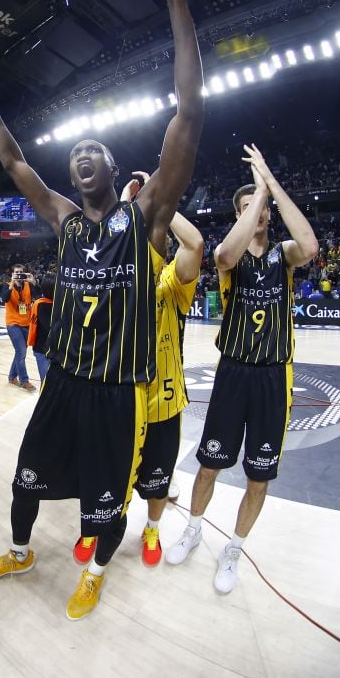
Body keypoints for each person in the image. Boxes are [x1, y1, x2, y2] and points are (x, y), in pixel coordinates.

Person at [0, 0, 205, 620]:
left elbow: (188, 114)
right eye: (74, 154)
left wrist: (177, 4)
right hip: (65, 378)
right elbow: (13, 159)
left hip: (120, 391)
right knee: (25, 480)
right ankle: (18, 552)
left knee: (108, 502)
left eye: (92, 149)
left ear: (113, 165)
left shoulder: (146, 218)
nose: (79, 156)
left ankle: (96, 570)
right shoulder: (63, 220)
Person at [164, 144, 318, 594]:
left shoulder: (284, 256)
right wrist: (253, 204)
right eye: (248, 209)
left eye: (262, 208)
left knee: (258, 475)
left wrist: (270, 185)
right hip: (233, 373)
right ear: (238, 215)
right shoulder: (231, 258)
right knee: (209, 465)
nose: (260, 214)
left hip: (273, 377)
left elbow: (309, 245)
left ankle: (233, 548)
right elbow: (226, 257)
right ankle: (193, 530)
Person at [73, 173, 204, 569]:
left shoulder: (171, 280)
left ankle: (151, 528)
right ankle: (92, 528)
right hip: (117, 397)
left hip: (162, 398)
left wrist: (162, 198)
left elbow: (195, 244)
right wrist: (126, 208)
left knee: (156, 480)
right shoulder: (116, 271)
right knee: (105, 474)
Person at [4, 263, 38, 391]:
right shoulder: (7, 286)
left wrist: (33, 281)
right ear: (12, 274)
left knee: (20, 352)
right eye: (16, 272)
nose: (19, 275)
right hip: (13, 324)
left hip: (26, 324)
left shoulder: (28, 285)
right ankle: (24, 380)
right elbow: (5, 298)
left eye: (21, 272)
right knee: (21, 352)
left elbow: (40, 293)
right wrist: (12, 284)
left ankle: (12, 377)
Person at [27, 275, 54, 383]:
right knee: (46, 382)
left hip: (51, 349)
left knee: (51, 382)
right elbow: (50, 326)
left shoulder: (49, 302)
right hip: (42, 349)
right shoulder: (42, 304)